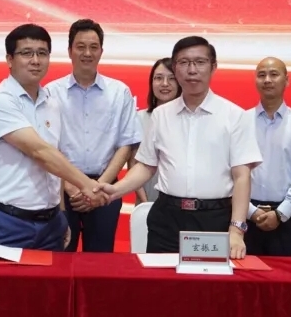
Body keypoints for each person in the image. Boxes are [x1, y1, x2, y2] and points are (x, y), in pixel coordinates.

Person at [100, 36, 262, 259]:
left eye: (200, 62)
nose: (192, 70)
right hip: (167, 218)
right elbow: (146, 166)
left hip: (214, 220)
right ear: (175, 68)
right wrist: (115, 190)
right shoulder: (160, 115)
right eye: (184, 63)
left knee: (207, 280)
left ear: (213, 67)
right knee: (162, 279)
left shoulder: (235, 116)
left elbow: (242, 176)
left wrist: (236, 230)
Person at [0, 23, 109, 251]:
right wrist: (88, 185)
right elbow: (40, 152)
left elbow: (55, 160)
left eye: (42, 53)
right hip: (7, 222)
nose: (35, 60)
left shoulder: (51, 102)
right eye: (27, 53)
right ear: (9, 59)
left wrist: (61, 215)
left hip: (50, 224)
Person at [46, 19, 142, 252]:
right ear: (70, 50)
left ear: (101, 51)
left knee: (100, 260)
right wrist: (72, 187)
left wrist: (98, 188)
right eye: (80, 47)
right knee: (60, 257)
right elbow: (48, 147)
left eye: (93, 47)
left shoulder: (119, 92)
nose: (87, 53)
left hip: (105, 190)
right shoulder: (50, 93)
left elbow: (125, 145)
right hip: (62, 190)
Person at [245, 57, 291, 257]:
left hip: (288, 219)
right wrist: (251, 211)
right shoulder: (240, 122)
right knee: (245, 275)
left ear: (287, 80)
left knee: (289, 276)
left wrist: (281, 213)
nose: (267, 80)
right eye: (261, 75)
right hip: (246, 217)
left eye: (274, 74)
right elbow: (231, 172)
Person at [134, 57, 181, 204]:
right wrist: (145, 203)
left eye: (172, 78)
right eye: (159, 78)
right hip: (146, 200)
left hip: (179, 203)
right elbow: (134, 164)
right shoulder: (139, 118)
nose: (165, 84)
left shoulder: (189, 120)